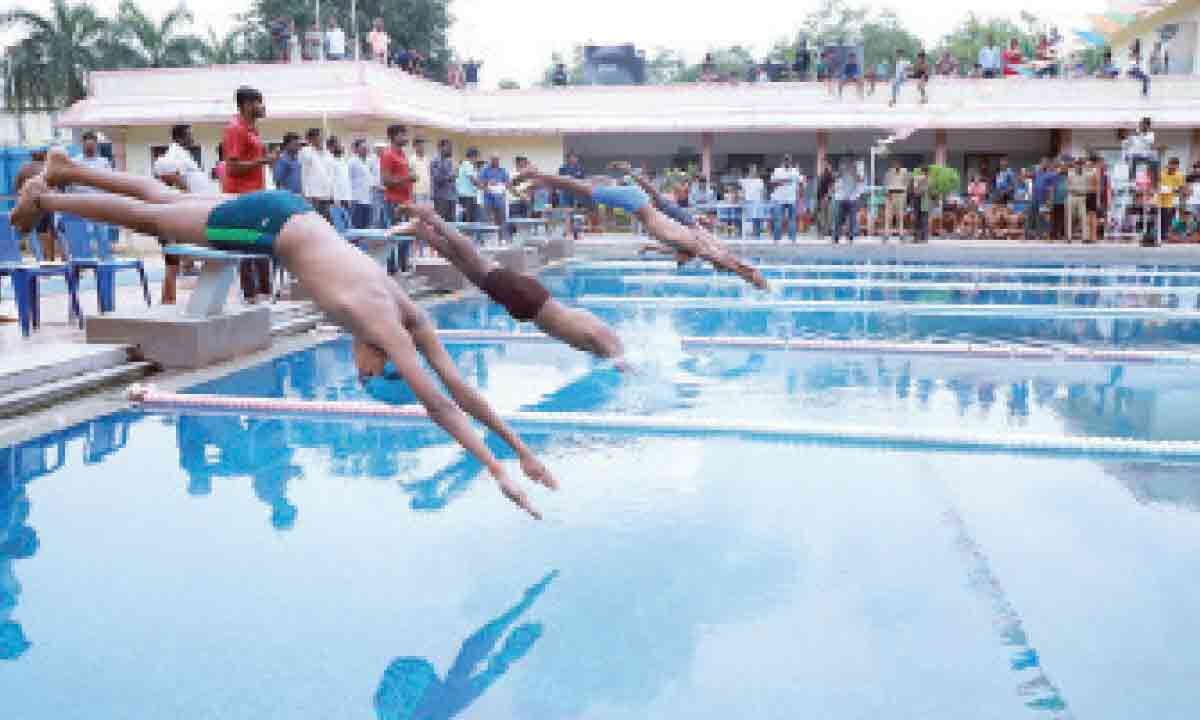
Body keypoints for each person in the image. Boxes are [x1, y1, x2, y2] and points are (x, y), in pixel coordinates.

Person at [12, 149, 556, 519]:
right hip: (272, 227)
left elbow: (463, 393)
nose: (358, 373)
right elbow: (439, 403)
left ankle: (66, 168)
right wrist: (495, 471)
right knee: (154, 219)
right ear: (380, 363)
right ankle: (48, 200)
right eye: (367, 379)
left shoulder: (409, 316)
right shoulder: (381, 325)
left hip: (289, 215)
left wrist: (523, 453)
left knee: (166, 201)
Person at [393, 204, 624, 363]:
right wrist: (620, 362)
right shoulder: (606, 341)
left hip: (529, 304)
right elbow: (595, 335)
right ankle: (432, 218)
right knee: (474, 259)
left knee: (466, 267)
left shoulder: (606, 337)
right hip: (527, 299)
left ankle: (421, 232)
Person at [518, 165, 769, 290]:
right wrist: (758, 282)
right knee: (580, 188)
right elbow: (736, 265)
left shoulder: (694, 244)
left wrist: (652, 247)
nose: (679, 262)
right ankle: (537, 174)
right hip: (637, 203)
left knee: (585, 187)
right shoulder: (703, 250)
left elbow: (678, 250)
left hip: (637, 202)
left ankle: (539, 180)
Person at [221, 87, 277, 303]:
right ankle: (251, 295)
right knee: (246, 245)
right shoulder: (236, 129)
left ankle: (264, 292)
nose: (263, 107)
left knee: (261, 243)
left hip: (256, 195)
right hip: (241, 196)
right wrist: (263, 161)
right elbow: (232, 168)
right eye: (258, 102)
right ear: (246, 105)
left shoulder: (253, 130)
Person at [152, 124, 211, 305]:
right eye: (189, 135)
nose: (192, 138)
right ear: (180, 137)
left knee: (175, 261)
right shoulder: (173, 155)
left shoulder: (183, 155)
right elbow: (168, 174)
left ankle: (170, 299)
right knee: (172, 261)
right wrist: (186, 193)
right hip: (178, 214)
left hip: (188, 212)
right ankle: (168, 300)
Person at [380, 124, 417, 271]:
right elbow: (386, 181)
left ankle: (403, 265)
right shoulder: (387, 155)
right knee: (395, 235)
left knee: (407, 234)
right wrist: (408, 178)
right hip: (394, 202)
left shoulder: (402, 154)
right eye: (402, 135)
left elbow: (403, 177)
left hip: (406, 201)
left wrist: (409, 179)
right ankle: (392, 268)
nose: (405, 138)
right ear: (393, 137)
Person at [299, 127, 334, 219]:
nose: (322, 140)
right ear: (311, 139)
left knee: (326, 221)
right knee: (315, 221)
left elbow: (330, 173)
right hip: (313, 195)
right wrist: (306, 194)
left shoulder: (327, 153)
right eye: (319, 137)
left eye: (322, 137)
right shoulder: (306, 151)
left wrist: (332, 193)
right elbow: (304, 174)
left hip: (326, 194)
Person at [1154, 156, 1185, 246]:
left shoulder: (1179, 175)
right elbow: (1156, 185)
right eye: (1171, 165)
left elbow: (1181, 189)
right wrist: (1162, 188)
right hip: (1160, 200)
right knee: (1160, 219)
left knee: (1168, 220)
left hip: (1171, 201)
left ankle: (1164, 237)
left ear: (1177, 166)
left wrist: (1172, 190)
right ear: (1168, 164)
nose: (1173, 168)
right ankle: (1158, 237)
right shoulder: (1161, 173)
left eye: (1175, 166)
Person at [480, 155, 513, 240]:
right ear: (490, 160)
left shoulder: (503, 171)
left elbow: (509, 184)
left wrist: (501, 184)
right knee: (487, 219)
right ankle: (488, 239)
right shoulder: (485, 170)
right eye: (494, 160)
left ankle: (502, 239)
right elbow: (480, 183)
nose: (495, 161)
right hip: (488, 198)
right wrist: (488, 182)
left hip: (500, 198)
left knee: (501, 220)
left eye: (497, 160)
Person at [770, 155, 802, 242]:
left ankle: (792, 239)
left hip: (791, 198)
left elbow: (801, 182)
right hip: (779, 198)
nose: (787, 162)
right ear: (783, 161)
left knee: (792, 220)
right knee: (778, 219)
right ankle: (777, 239)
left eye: (788, 160)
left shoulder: (795, 171)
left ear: (790, 161)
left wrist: (799, 196)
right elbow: (772, 182)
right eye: (786, 160)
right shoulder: (777, 170)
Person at [832, 161, 863, 244]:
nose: (848, 168)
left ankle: (850, 236)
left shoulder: (855, 175)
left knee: (852, 219)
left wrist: (854, 173)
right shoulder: (840, 176)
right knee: (839, 219)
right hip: (841, 199)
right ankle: (836, 236)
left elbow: (860, 181)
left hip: (852, 200)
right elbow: (835, 184)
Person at [347, 139, 373, 229]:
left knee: (366, 225)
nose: (366, 150)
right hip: (356, 199)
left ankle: (363, 243)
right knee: (357, 225)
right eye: (363, 148)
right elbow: (348, 180)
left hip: (368, 198)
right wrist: (351, 198)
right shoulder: (352, 162)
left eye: (367, 148)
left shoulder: (369, 162)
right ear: (356, 149)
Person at [430, 139, 457, 222]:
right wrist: (450, 177)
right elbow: (437, 179)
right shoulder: (435, 161)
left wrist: (453, 176)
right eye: (448, 147)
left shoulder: (449, 161)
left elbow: (453, 176)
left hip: (451, 196)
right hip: (441, 197)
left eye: (451, 147)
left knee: (452, 223)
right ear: (440, 148)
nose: (450, 149)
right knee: (441, 223)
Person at [882, 160, 908, 242]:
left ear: (900, 166)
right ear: (892, 166)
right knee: (888, 216)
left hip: (900, 195)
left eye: (898, 164)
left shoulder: (904, 173)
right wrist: (887, 193)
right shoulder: (889, 173)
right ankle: (886, 235)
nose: (896, 166)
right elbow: (885, 184)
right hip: (890, 195)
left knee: (900, 216)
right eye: (894, 164)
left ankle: (901, 234)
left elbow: (906, 185)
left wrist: (904, 198)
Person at [1066, 158, 1090, 243]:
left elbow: (1087, 186)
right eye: (1077, 164)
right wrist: (1075, 190)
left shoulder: (1086, 174)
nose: (1079, 166)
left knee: (1083, 217)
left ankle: (1085, 237)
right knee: (1070, 217)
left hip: (1082, 197)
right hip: (1072, 197)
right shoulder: (1070, 173)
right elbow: (1068, 187)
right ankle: (1069, 237)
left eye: (1080, 164)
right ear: (1075, 165)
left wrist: (1084, 192)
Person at [272, 132, 303, 197]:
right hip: (288, 197)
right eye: (295, 144)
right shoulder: (282, 160)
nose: (298, 147)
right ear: (287, 145)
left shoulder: (300, 158)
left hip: (301, 196)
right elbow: (278, 182)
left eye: (298, 144)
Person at [457, 147, 483, 222]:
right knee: (468, 218)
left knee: (470, 218)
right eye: (477, 157)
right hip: (467, 196)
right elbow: (473, 180)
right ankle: (466, 233)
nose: (477, 159)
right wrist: (483, 187)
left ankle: (467, 232)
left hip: (469, 195)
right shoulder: (467, 164)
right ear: (473, 156)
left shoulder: (467, 165)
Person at [328, 136, 352, 212]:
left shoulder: (343, 160)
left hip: (346, 198)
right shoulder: (329, 161)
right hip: (337, 199)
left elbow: (346, 180)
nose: (341, 146)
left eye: (340, 143)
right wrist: (335, 199)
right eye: (337, 144)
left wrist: (349, 197)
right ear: (331, 147)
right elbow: (330, 182)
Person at [911, 166, 931, 243]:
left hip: (923, 202)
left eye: (924, 172)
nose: (924, 174)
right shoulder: (918, 179)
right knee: (918, 220)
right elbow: (915, 190)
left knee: (923, 220)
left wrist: (918, 190)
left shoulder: (928, 180)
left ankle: (923, 238)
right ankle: (918, 237)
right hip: (919, 201)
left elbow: (922, 190)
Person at [411, 138, 431, 204]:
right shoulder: (411, 159)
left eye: (423, 145)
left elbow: (429, 174)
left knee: (427, 212)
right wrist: (412, 194)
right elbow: (410, 177)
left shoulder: (427, 159)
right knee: (419, 213)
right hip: (417, 192)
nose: (422, 147)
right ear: (415, 147)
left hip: (427, 190)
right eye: (419, 145)